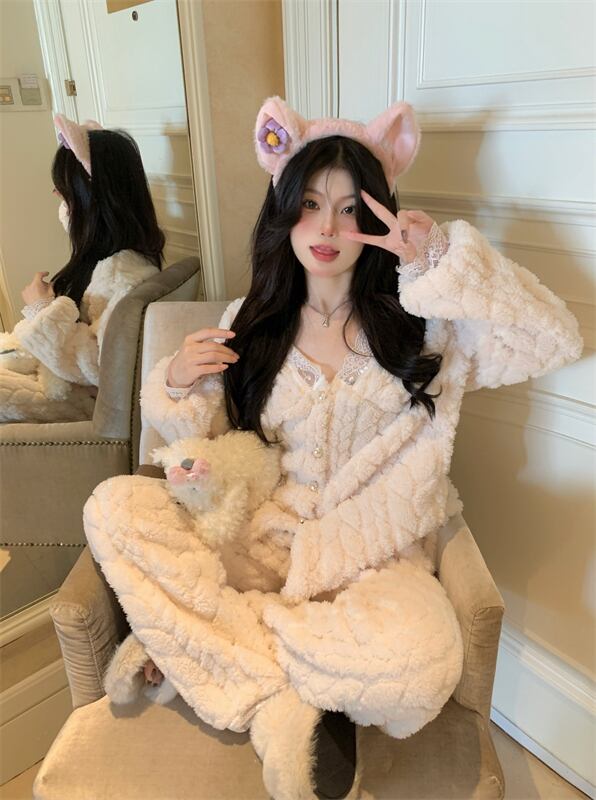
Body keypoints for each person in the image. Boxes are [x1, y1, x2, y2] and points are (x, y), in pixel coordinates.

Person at [83, 96, 583, 800]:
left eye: (350, 210)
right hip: (260, 542)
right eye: (311, 204)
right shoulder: (249, 319)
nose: (326, 228)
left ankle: (217, 650)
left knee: (423, 665)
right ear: (283, 209)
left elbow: (552, 339)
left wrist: (440, 259)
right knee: (113, 508)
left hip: (372, 557)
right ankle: (280, 685)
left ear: (378, 215)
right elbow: (201, 449)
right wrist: (175, 382)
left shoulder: (424, 321)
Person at [0, 114, 164, 423]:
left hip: (82, 401)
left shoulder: (121, 275)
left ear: (89, 200)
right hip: (61, 383)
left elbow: (96, 366)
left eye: (63, 190)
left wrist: (40, 309)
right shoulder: (115, 259)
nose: (56, 196)